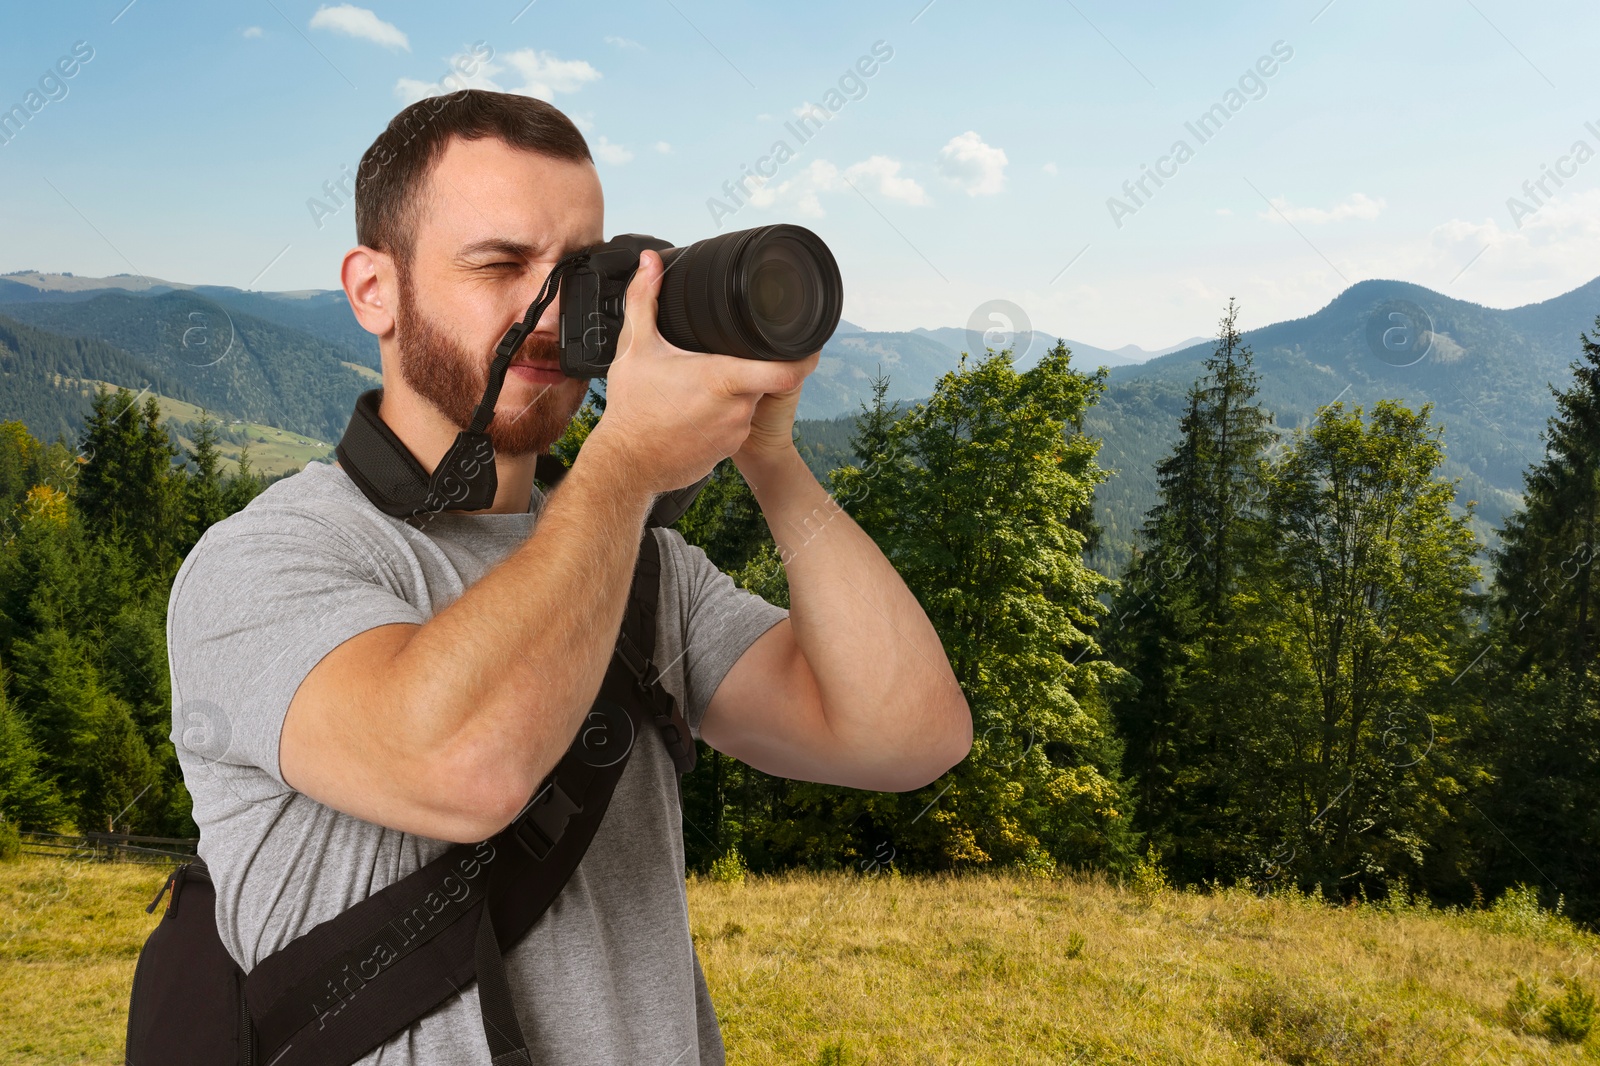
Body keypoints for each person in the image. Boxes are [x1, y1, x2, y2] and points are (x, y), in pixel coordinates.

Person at [168, 88, 970, 1066]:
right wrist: (628, 461)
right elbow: (465, 766)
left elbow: (906, 736)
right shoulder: (270, 560)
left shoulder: (644, 567)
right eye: (500, 265)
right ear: (373, 289)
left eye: (579, 273)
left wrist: (768, 452)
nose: (551, 315)